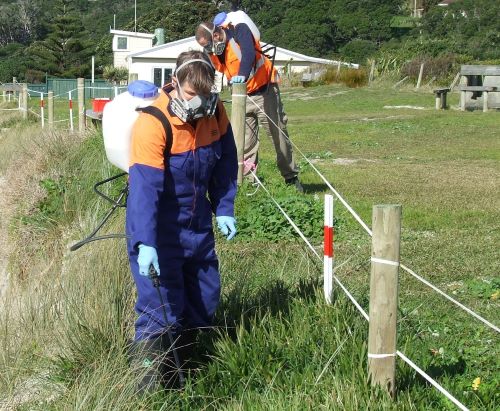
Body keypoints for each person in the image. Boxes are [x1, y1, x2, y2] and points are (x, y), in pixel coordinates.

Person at [126, 50, 238, 391]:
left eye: (205, 96)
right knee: (160, 310)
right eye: (191, 96)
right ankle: (147, 387)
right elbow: (144, 191)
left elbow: (225, 162)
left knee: (204, 299)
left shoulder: (215, 112)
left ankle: (188, 372)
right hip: (160, 230)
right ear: (175, 83)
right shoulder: (153, 122)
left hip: (198, 225)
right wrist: (145, 242)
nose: (199, 104)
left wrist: (224, 207)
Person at [195, 14, 303, 192]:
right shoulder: (216, 52)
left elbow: (249, 54)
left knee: (278, 136)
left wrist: (242, 77)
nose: (209, 49)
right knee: (245, 143)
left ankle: (291, 178)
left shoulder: (240, 31)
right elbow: (211, 70)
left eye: (207, 45)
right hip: (242, 98)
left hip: (265, 92)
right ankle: (249, 184)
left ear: (215, 35)